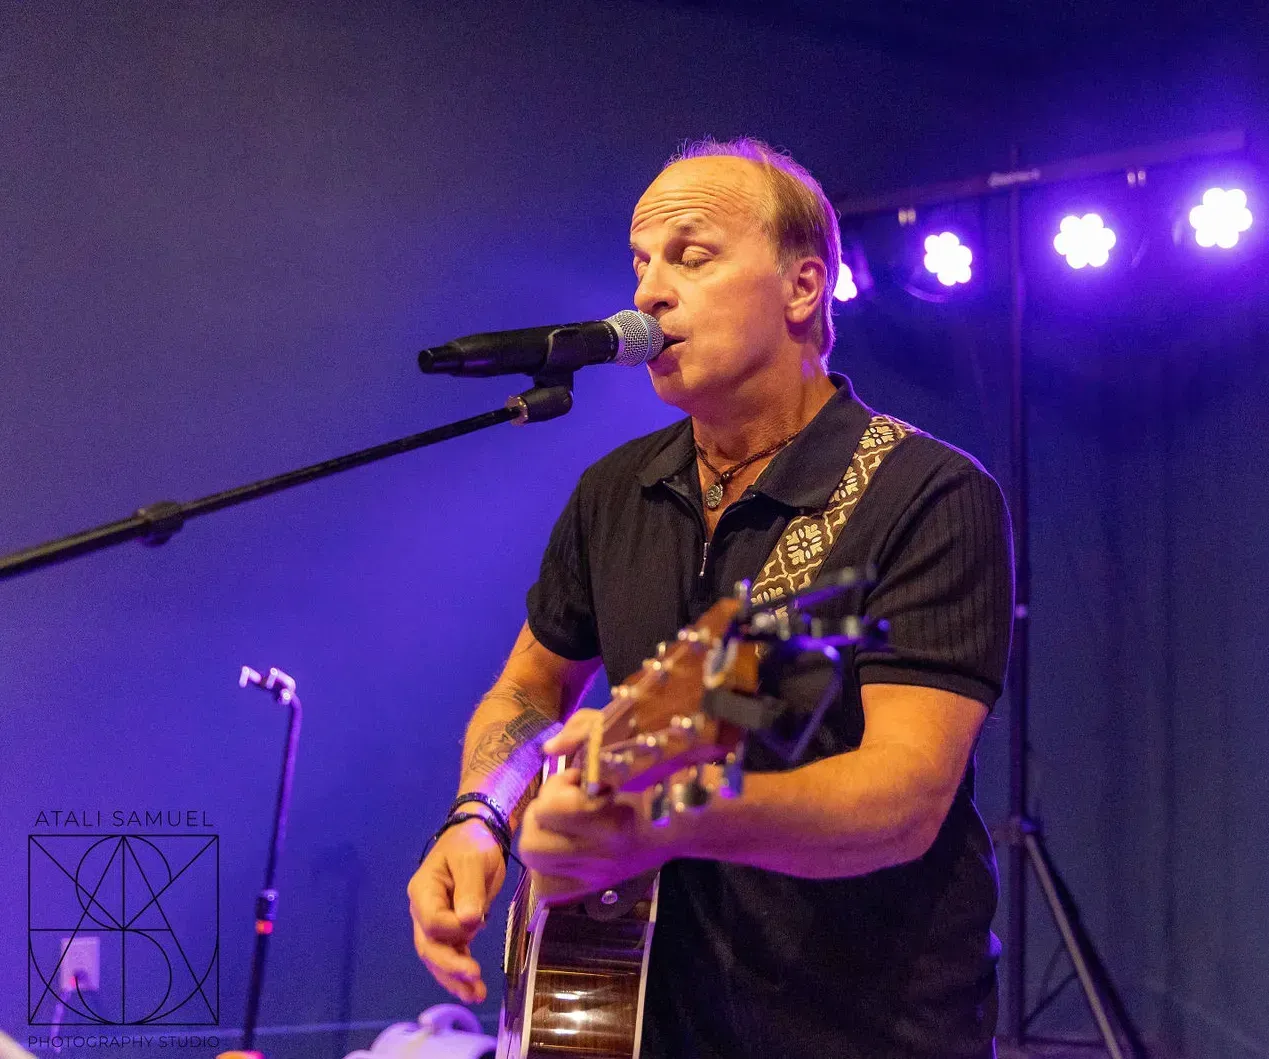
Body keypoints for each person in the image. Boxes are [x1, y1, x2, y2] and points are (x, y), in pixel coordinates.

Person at [407, 136, 1014, 1059]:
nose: (647, 291)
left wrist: (665, 822)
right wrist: (479, 813)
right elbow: (532, 687)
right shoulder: (616, 489)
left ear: (803, 289)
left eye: (689, 256)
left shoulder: (923, 494)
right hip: (635, 1016)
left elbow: (905, 797)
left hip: (863, 1029)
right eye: (639, 262)